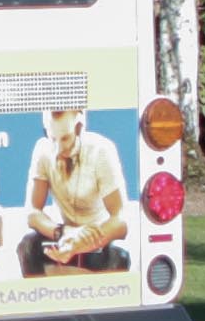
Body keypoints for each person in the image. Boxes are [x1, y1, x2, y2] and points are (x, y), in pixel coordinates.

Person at [20, 104, 130, 276]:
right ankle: (38, 298)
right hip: (64, 234)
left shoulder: (101, 150)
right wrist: (63, 233)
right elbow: (33, 213)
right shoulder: (42, 150)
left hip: (97, 236)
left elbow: (121, 219)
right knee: (27, 245)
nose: (58, 149)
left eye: (65, 139)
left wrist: (83, 241)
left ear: (79, 129)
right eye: (53, 139)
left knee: (120, 254)